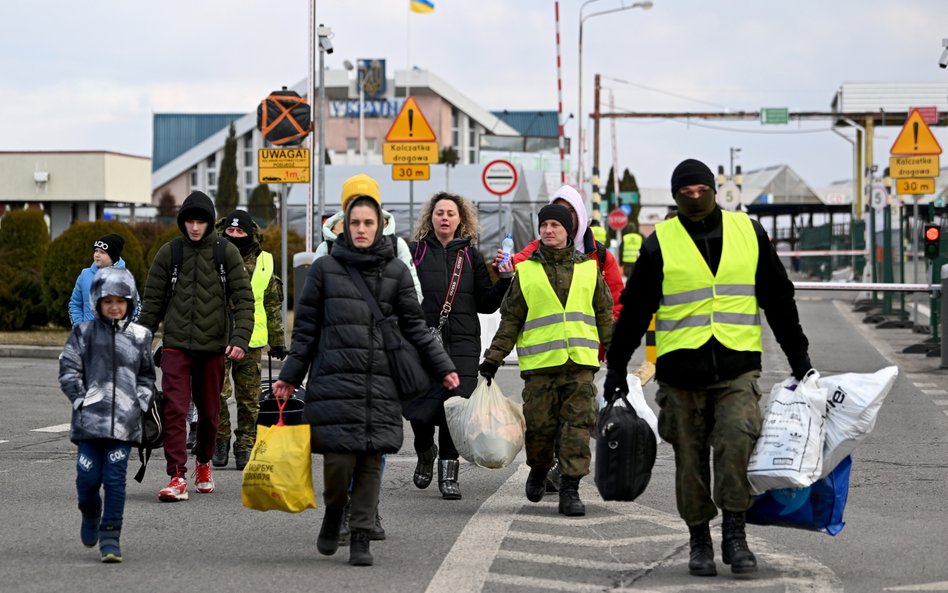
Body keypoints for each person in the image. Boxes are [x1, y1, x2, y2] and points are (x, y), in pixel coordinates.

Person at [603, 158, 812, 577]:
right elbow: (636, 310)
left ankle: (734, 533)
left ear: (714, 191)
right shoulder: (660, 242)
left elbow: (779, 299)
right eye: (686, 193)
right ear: (677, 195)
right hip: (680, 374)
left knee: (736, 442)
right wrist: (616, 368)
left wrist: (800, 360)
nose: (695, 198)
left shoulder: (748, 232)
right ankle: (699, 538)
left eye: (702, 191)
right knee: (690, 459)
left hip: (737, 367)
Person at [272, 192, 459, 567]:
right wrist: (290, 376)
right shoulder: (324, 269)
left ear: (380, 226)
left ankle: (360, 536)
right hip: (334, 379)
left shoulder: (396, 271)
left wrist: (444, 367)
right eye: (354, 223)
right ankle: (333, 513)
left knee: (371, 461)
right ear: (344, 226)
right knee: (339, 462)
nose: (361, 229)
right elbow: (306, 330)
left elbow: (416, 329)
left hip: (381, 381)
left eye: (368, 223)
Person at [479, 204, 613, 517]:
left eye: (555, 225)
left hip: (579, 367)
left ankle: (570, 489)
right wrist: (492, 359)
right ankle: (539, 469)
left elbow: (605, 316)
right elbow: (510, 321)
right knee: (539, 430)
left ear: (569, 231)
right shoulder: (526, 272)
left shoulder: (589, 270)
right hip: (539, 370)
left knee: (576, 430)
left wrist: (616, 356)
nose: (548, 230)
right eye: (544, 225)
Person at [137, 190, 254, 502]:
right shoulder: (169, 252)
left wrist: (240, 338)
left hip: (213, 347)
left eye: (200, 221)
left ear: (209, 222)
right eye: (189, 220)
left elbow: (244, 300)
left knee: (210, 412)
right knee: (175, 409)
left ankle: (203, 462)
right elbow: (152, 303)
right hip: (175, 345)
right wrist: (137, 341)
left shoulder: (224, 252)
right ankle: (176, 476)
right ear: (182, 221)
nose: (194, 227)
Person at [407, 192, 513, 500]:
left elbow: (486, 304)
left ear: (460, 220)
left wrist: (504, 281)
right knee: (421, 411)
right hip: (424, 346)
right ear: (431, 218)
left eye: (450, 214)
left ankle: (448, 475)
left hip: (464, 346)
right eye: (439, 212)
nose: (444, 218)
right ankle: (425, 450)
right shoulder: (416, 254)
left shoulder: (471, 256)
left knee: (456, 411)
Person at [59, 267, 157, 563]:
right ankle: (90, 513)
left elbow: (146, 376)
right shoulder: (83, 333)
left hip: (123, 427)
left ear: (129, 302)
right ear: (97, 302)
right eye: (107, 301)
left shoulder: (140, 336)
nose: (114, 307)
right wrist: (80, 400)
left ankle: (111, 536)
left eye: (120, 301)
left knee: (115, 481)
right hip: (89, 425)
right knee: (87, 480)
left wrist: (139, 401)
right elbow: (68, 371)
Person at [211, 209, 286, 471]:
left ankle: (245, 443)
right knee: (217, 393)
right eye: (230, 231)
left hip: (253, 339)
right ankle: (219, 440)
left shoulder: (265, 260)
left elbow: (273, 304)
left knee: (249, 398)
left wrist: (278, 342)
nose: (234, 236)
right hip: (218, 337)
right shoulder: (214, 257)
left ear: (250, 234)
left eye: (240, 232)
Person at [510, 185, 623, 319]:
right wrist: (502, 264)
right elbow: (514, 265)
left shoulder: (600, 255)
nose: (566, 215)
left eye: (571, 210)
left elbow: (616, 302)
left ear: (580, 213)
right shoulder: (536, 249)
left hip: (589, 338)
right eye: (561, 210)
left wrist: (607, 338)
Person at [314, 173, 423, 302]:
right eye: (353, 202)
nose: (360, 206)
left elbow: (414, 296)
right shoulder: (327, 248)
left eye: (366, 201)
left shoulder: (397, 246)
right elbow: (312, 301)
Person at [69, 233, 128, 325]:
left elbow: (135, 308)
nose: (97, 255)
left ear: (113, 256)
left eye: (102, 252)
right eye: (96, 251)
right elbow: (75, 304)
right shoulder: (85, 275)